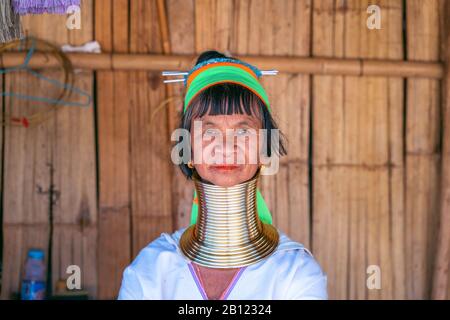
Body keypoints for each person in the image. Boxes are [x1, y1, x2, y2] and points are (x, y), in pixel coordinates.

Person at [118, 50, 327, 300]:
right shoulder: (150, 270)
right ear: (189, 150)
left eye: (243, 131)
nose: (226, 148)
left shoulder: (296, 274)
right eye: (209, 131)